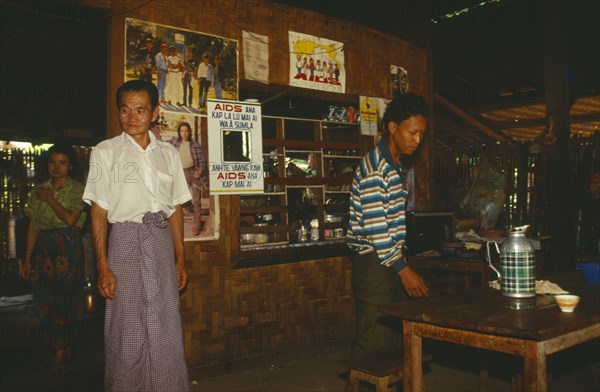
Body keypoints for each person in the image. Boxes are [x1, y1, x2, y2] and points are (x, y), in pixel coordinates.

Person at [83, 80, 191, 391]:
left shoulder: (168, 154)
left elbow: (174, 210)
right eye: (125, 110)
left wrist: (180, 259)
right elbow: (99, 212)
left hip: (159, 242)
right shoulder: (105, 152)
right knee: (125, 326)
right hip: (124, 242)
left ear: (154, 113)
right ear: (119, 112)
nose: (132, 117)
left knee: (164, 322)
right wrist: (103, 267)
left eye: (140, 110)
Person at [346, 92, 430, 355]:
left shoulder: (395, 165)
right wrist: (403, 269)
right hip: (374, 263)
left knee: (392, 341)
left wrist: (399, 263)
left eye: (421, 134)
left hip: (388, 260)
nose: (418, 140)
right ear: (393, 128)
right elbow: (377, 230)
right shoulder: (376, 168)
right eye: (412, 132)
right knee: (374, 344)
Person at [21, 143, 86, 376]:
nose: (56, 167)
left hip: (69, 251)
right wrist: (27, 259)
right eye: (52, 162)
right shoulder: (37, 191)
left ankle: (63, 346)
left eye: (62, 162)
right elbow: (33, 227)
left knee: (66, 299)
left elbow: (70, 220)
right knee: (44, 298)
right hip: (45, 252)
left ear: (70, 166)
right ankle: (57, 342)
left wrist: (50, 199)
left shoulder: (77, 190)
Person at [169, 122, 206, 236]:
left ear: (189, 132)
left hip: (193, 172)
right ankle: (177, 224)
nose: (184, 133)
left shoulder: (195, 144)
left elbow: (202, 161)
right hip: (180, 173)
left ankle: (197, 226)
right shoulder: (174, 142)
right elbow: (162, 147)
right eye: (182, 131)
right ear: (179, 132)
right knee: (178, 200)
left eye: (186, 131)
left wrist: (199, 172)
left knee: (197, 201)